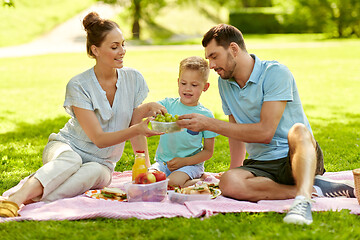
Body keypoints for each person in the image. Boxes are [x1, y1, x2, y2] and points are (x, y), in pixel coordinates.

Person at [177, 24, 355, 225]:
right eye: (209, 58)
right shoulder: (224, 82)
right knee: (228, 183)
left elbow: (265, 132)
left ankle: (303, 202)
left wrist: (209, 123)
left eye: (214, 56)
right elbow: (235, 130)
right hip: (262, 163)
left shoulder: (275, 73)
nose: (210, 65)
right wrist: (234, 169)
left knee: (299, 130)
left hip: (295, 154)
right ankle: (313, 189)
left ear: (234, 49)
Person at [0, 12, 165, 218]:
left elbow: (133, 122)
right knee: (71, 160)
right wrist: (137, 127)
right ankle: (16, 199)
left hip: (103, 164)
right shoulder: (79, 85)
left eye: (123, 44)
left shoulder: (134, 79)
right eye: (114, 47)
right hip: (67, 147)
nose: (122, 51)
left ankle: (33, 200)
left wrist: (145, 169)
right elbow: (99, 139)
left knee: (93, 172)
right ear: (95, 50)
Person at [149, 56, 218, 188]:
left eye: (194, 85)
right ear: (178, 82)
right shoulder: (168, 105)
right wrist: (152, 111)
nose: (187, 89)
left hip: (190, 165)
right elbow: (151, 108)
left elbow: (208, 151)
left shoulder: (206, 115)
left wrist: (184, 162)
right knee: (147, 179)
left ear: (205, 86)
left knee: (172, 183)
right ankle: (185, 181)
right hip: (163, 163)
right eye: (183, 83)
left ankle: (201, 181)